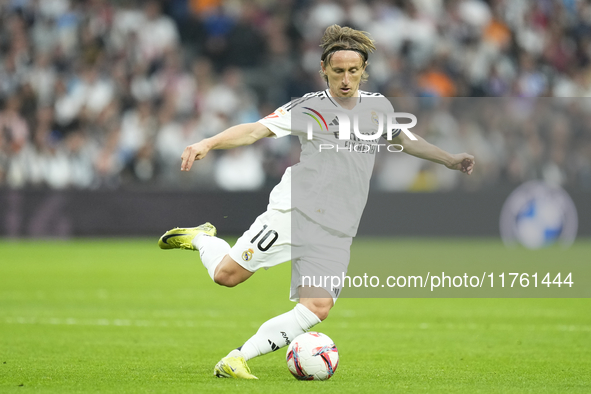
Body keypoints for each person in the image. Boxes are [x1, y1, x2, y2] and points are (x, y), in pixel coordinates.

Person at [158, 25, 475, 379]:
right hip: (297, 211)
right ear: (324, 69)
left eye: (353, 71)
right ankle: (202, 237)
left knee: (317, 308)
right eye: (338, 71)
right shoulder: (309, 107)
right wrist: (207, 143)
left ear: (363, 71)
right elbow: (254, 130)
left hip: (339, 228)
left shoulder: (378, 108)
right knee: (227, 276)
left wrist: (448, 159)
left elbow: (409, 140)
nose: (345, 79)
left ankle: (237, 358)